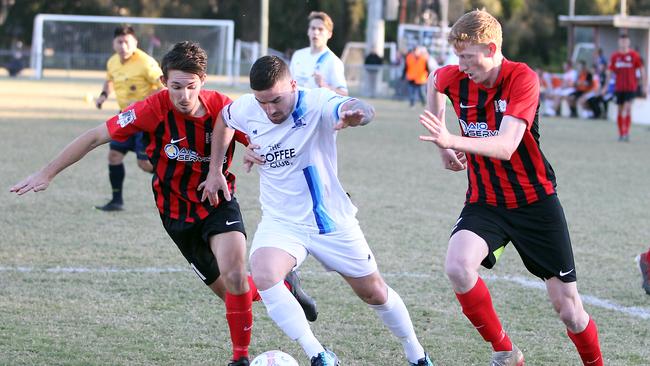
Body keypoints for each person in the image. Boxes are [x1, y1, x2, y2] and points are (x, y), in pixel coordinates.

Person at [10, 41, 316, 366]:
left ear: (203, 81)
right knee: (233, 295)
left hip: (217, 202)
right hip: (176, 216)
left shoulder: (223, 109)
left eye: (191, 86)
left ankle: (239, 358)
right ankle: (282, 283)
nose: (184, 95)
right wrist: (47, 173)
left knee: (237, 275)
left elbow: (261, 135)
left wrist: (256, 147)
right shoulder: (151, 109)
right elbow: (95, 136)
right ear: (163, 82)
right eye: (176, 87)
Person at [201, 55, 434, 366]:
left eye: (276, 100)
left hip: (330, 221)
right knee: (264, 271)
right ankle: (319, 355)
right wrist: (216, 169)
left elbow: (362, 108)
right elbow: (223, 120)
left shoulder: (317, 102)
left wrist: (355, 114)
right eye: (262, 102)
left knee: (374, 292)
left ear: (294, 85)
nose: (270, 110)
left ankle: (416, 352)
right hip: (282, 221)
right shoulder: (247, 107)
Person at [419, 10, 603, 365]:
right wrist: (444, 150)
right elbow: (434, 81)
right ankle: (506, 352)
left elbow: (506, 146)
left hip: (535, 203)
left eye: (468, 58)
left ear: (490, 49)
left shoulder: (522, 78)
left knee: (569, 309)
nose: (462, 65)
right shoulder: (455, 77)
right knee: (458, 266)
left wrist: (451, 138)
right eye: (458, 57)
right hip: (486, 201)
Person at [94, 26, 164, 211]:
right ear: (114, 43)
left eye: (127, 42)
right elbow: (109, 79)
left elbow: (162, 86)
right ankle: (117, 201)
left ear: (135, 43)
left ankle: (174, 183)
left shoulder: (146, 62)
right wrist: (103, 95)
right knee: (114, 155)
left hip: (144, 120)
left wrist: (147, 105)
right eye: (120, 42)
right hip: (124, 117)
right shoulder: (112, 62)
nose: (123, 46)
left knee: (144, 164)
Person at [289, 11, 348, 96]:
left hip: (318, 109)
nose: (316, 32)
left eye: (320, 29)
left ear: (329, 34)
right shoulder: (298, 55)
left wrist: (324, 85)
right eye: (313, 28)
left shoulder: (334, 61)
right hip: (296, 108)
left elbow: (344, 94)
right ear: (308, 31)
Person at [602, 33, 646, 142]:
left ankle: (626, 132)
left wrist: (645, 85)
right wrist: (605, 86)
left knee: (627, 108)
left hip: (631, 87)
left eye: (626, 41)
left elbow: (642, 70)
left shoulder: (634, 55)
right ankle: (621, 133)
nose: (624, 43)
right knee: (620, 110)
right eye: (622, 41)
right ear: (619, 42)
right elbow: (609, 72)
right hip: (619, 88)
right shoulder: (615, 56)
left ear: (629, 42)